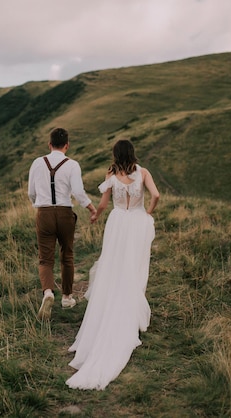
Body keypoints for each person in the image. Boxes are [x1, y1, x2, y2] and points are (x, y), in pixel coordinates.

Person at [66, 138, 160, 390]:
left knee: (113, 264)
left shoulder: (111, 174)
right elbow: (157, 195)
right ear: (133, 153)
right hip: (137, 222)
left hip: (118, 222)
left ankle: (112, 302)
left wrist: (95, 214)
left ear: (115, 154)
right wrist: (148, 212)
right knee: (135, 267)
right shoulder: (144, 173)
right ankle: (131, 309)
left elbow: (104, 204)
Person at [28, 128, 97, 321]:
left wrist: (39, 204)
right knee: (67, 254)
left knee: (45, 258)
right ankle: (67, 297)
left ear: (49, 145)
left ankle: (48, 292)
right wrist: (91, 208)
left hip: (44, 213)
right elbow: (78, 191)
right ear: (67, 145)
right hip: (65, 213)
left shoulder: (37, 163)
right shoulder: (72, 165)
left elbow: (31, 192)